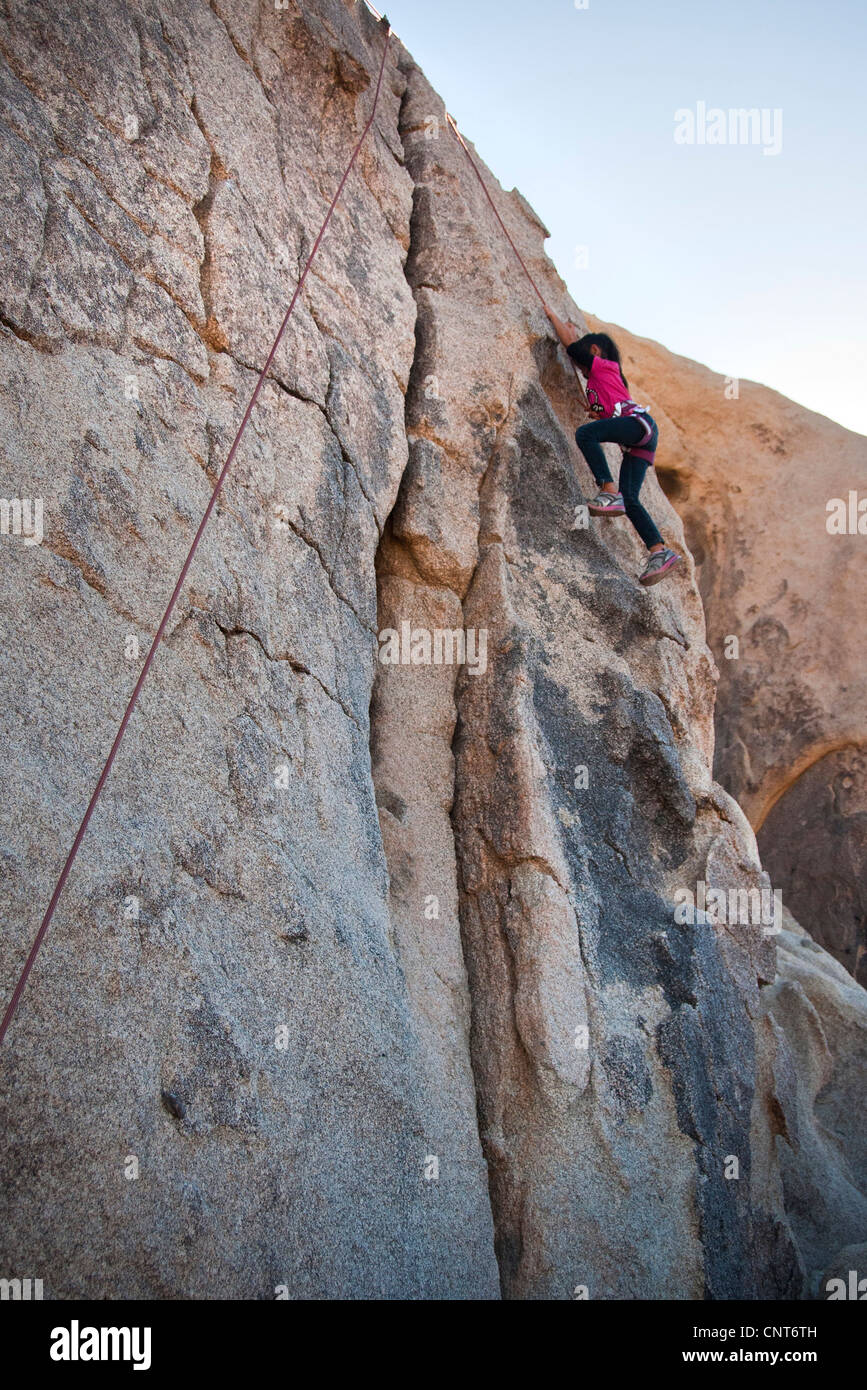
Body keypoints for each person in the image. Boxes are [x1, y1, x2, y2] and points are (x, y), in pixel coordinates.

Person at [544, 308, 681, 586]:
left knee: (585, 435)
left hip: (639, 425)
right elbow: (612, 409)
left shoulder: (605, 366)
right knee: (630, 499)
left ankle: (608, 491)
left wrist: (555, 319)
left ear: (595, 350)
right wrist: (602, 415)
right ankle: (659, 551)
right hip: (641, 441)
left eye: (584, 367)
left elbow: (573, 349)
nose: (583, 372)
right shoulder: (610, 383)